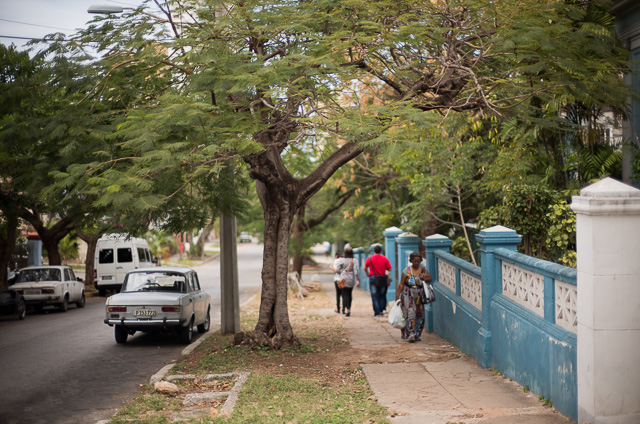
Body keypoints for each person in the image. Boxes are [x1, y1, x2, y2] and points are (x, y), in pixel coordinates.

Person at [396, 252, 432, 342]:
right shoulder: (406, 271)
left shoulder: (423, 270)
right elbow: (401, 284)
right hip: (408, 294)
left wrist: (424, 278)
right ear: (411, 261)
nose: (416, 263)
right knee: (410, 314)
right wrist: (397, 295)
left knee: (420, 315)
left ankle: (417, 334)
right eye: (414, 261)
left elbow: (430, 279)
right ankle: (411, 334)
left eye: (418, 261)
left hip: (420, 295)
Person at [364, 245, 392, 317]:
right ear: (381, 251)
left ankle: (376, 312)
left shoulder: (369, 258)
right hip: (382, 278)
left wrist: (367, 274)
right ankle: (382, 310)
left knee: (374, 295)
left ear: (373, 251)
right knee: (382, 295)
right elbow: (389, 268)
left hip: (373, 278)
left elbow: (365, 267)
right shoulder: (385, 259)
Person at [333, 246, 359, 317]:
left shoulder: (342, 260)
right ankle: (349, 308)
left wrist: (340, 273)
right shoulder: (354, 260)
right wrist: (357, 279)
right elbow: (356, 271)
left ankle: (345, 308)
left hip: (343, 278)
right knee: (349, 294)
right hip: (351, 279)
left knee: (344, 294)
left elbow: (338, 270)